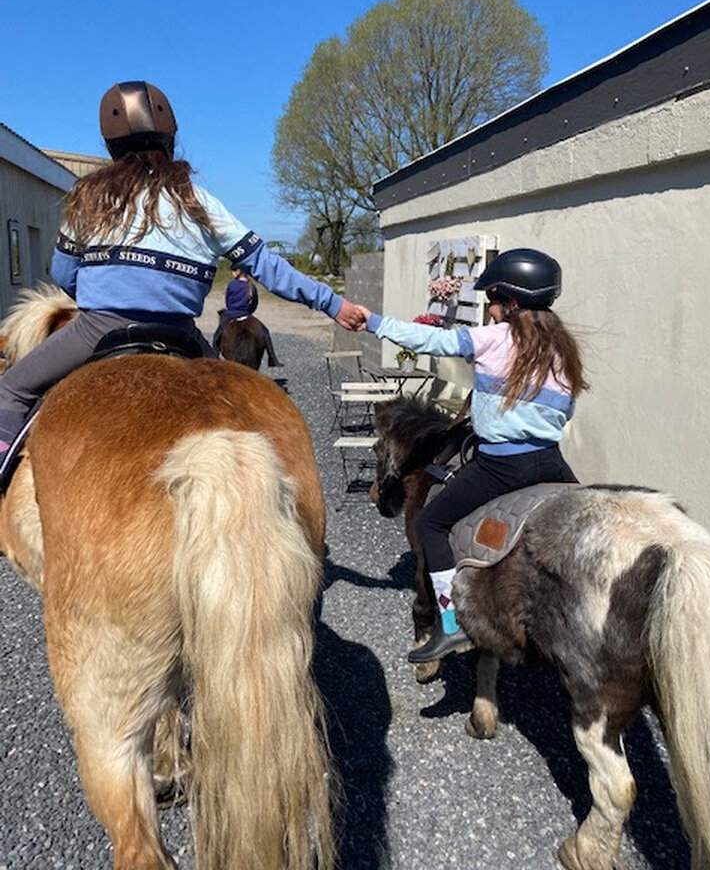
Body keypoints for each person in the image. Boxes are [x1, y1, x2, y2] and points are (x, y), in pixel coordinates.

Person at [0, 80, 364, 460]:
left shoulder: (90, 198)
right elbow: (267, 266)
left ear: (110, 147)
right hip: (181, 334)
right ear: (170, 139)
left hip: (98, 329)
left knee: (10, 390)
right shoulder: (198, 200)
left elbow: (64, 274)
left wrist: (101, 291)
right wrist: (334, 305)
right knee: (242, 407)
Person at [357, 248, 588, 663]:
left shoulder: (493, 337)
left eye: (492, 301)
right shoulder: (565, 349)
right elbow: (566, 410)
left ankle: (451, 627)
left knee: (430, 523)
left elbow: (430, 339)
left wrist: (373, 321)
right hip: (550, 461)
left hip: (501, 466)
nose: (490, 310)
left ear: (511, 303)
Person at [212, 268, 283, 367]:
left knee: (217, 335)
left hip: (231, 313)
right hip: (246, 313)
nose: (232, 273)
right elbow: (254, 303)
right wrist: (249, 311)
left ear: (239, 271)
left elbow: (228, 300)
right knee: (265, 332)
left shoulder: (232, 284)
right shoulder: (252, 287)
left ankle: (214, 356)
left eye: (233, 270)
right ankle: (272, 359)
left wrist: (231, 309)